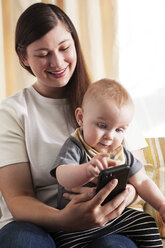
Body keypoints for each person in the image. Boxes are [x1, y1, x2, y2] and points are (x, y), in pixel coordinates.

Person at [0, 2, 145, 248]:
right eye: (43, 54)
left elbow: (137, 176)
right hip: (33, 225)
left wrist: (128, 195)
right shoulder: (12, 111)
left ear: (75, 44)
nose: (57, 62)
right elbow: (17, 197)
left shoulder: (109, 99)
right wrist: (64, 219)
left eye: (64, 48)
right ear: (24, 57)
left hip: (101, 225)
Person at [50, 78, 164, 248]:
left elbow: (142, 181)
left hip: (112, 217)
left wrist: (161, 204)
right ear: (81, 118)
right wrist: (87, 170)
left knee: (145, 221)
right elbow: (62, 175)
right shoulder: (76, 145)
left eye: (119, 130)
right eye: (102, 125)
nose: (110, 136)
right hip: (76, 224)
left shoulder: (120, 152)